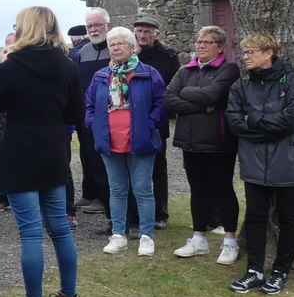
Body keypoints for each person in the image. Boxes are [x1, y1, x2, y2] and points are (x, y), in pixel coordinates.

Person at [0, 6, 83, 297]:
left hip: (19, 151)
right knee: (60, 229)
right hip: (53, 150)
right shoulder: (68, 66)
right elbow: (76, 113)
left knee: (30, 232)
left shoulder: (12, 66)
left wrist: (1, 70)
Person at [225, 33, 294, 295]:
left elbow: (292, 120)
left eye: (251, 52)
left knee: (288, 217)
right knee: (255, 216)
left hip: (289, 161)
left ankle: (280, 271)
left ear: (269, 53)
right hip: (254, 162)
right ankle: (254, 270)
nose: (245, 57)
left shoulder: (293, 82)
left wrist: (253, 120)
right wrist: (268, 128)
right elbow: (235, 122)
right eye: (244, 52)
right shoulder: (241, 85)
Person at [164, 26, 241, 265]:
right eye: (199, 42)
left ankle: (230, 240)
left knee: (222, 189)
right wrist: (201, 107)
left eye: (207, 42)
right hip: (190, 141)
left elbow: (214, 96)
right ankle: (199, 239)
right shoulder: (185, 69)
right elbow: (169, 99)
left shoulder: (228, 69)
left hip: (218, 141)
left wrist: (187, 93)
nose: (201, 46)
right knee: (197, 190)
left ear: (220, 47)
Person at [86, 26, 166, 257]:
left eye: (120, 43)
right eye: (112, 44)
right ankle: (118, 234)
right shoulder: (101, 76)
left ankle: (147, 235)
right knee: (117, 190)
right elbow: (89, 105)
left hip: (140, 140)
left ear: (132, 47)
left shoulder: (148, 73)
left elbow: (162, 103)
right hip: (110, 141)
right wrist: (94, 125)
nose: (115, 48)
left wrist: (149, 124)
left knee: (143, 190)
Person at [132, 17, 180, 229]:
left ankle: (161, 213)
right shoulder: (129, 53)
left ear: (156, 34)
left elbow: (171, 90)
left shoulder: (168, 56)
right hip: (131, 120)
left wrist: (157, 117)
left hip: (156, 120)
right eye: (139, 31)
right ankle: (136, 213)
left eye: (147, 32)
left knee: (158, 167)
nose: (142, 35)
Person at [73, 8, 112, 217]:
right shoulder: (82, 52)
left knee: (105, 160)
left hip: (110, 115)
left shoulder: (115, 48)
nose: (94, 29)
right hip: (86, 114)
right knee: (88, 157)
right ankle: (93, 194)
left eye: (98, 25)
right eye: (90, 26)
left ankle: (106, 201)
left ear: (108, 26)